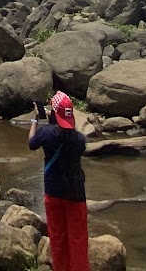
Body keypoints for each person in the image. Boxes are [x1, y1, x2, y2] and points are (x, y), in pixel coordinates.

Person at [29, 91, 87, 271]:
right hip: (75, 197)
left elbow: (32, 142)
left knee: (57, 239)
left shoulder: (46, 133)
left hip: (53, 194)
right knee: (77, 241)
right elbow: (67, 133)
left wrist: (35, 120)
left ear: (53, 113)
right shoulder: (79, 140)